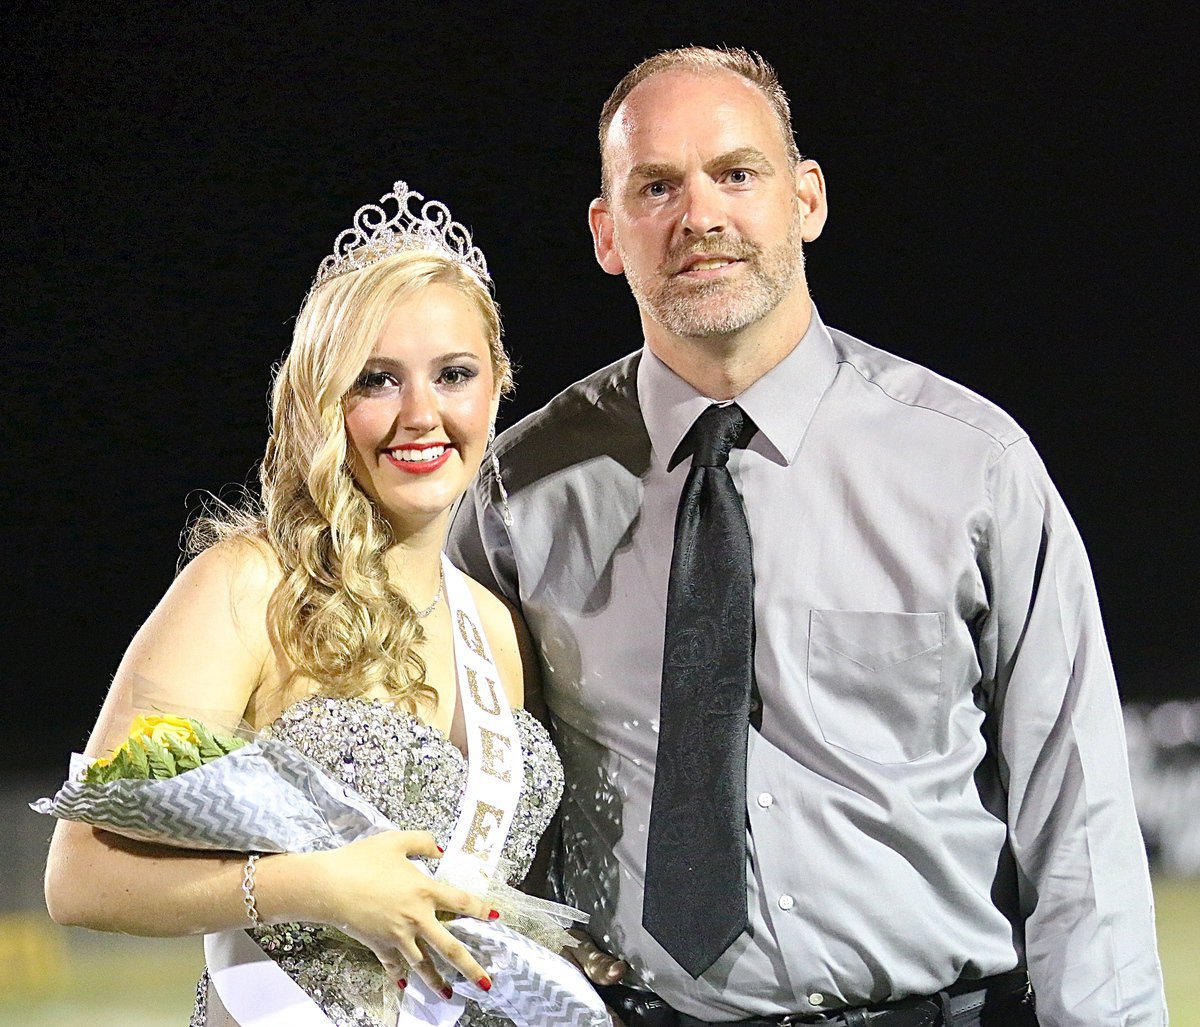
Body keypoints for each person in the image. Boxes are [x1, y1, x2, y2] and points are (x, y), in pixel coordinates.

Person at [447, 46, 1167, 1027]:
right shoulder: (517, 494)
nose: (699, 216)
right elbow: (472, 798)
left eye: (736, 174)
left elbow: (1077, 815)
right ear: (607, 233)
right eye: (656, 185)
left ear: (807, 200)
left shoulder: (972, 466)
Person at [44, 181, 565, 1027]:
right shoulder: (247, 586)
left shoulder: (496, 627)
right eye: (378, 380)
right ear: (327, 397)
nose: (421, 414)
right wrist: (316, 887)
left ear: (499, 383)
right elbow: (79, 877)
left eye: (454, 374)